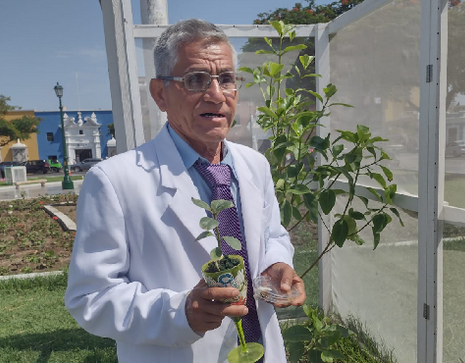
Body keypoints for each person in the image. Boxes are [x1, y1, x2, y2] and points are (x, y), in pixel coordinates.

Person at [64, 19, 306, 363]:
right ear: (160, 94)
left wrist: (277, 264)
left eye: (226, 79)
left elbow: (272, 234)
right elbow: (90, 296)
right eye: (196, 80)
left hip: (262, 351)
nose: (217, 94)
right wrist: (180, 313)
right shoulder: (114, 181)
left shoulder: (255, 165)